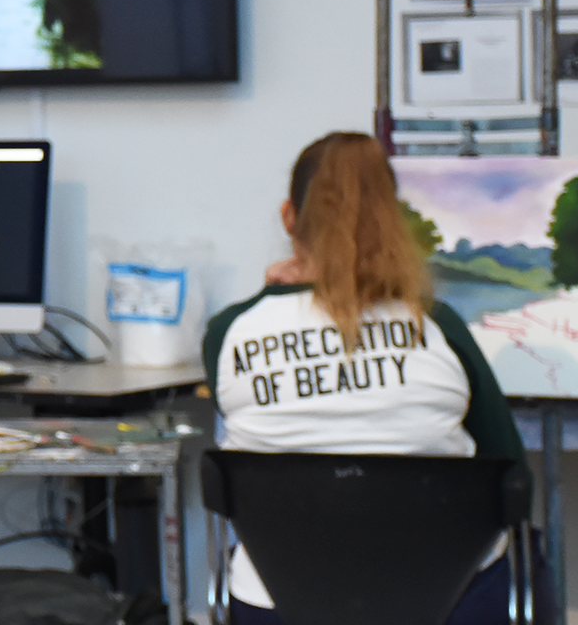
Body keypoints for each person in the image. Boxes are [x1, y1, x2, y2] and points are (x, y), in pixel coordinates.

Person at [202, 131, 539, 624]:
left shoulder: (229, 333)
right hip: (448, 601)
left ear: (289, 217)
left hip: (281, 605)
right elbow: (512, 472)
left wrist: (273, 293)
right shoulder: (436, 325)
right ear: (390, 221)